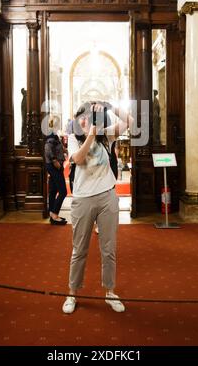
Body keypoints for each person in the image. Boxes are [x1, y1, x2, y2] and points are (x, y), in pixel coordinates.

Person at [62, 101, 133, 314]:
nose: (85, 120)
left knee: (108, 249)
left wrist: (109, 106)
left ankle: (110, 292)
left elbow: (129, 122)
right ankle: (72, 293)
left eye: (89, 117)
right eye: (81, 117)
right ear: (77, 120)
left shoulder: (106, 136)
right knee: (79, 250)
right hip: (83, 199)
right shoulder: (74, 139)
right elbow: (79, 158)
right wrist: (91, 134)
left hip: (107, 197)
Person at [44, 124, 67, 225]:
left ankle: (52, 214)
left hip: (52, 165)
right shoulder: (51, 134)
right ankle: (54, 213)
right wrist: (54, 161)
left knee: (53, 190)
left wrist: (63, 150)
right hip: (54, 166)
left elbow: (54, 147)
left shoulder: (53, 134)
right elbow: (48, 147)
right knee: (63, 191)